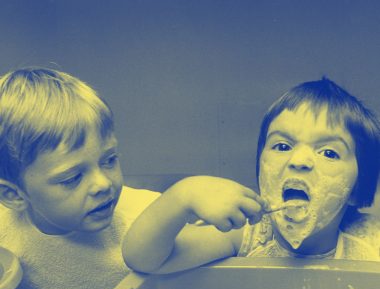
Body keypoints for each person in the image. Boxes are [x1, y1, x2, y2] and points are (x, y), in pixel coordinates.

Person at [123, 77, 380, 274]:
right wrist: (182, 195)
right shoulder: (248, 233)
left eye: (328, 152)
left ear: (357, 190)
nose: (298, 161)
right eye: (282, 146)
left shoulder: (371, 243)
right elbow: (143, 259)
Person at [0, 67, 160, 289]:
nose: (102, 184)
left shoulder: (146, 220)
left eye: (109, 160)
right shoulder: (5, 226)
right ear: (14, 195)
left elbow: (243, 242)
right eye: (72, 178)